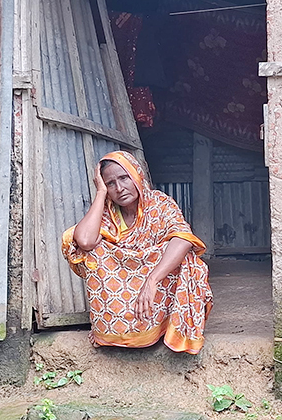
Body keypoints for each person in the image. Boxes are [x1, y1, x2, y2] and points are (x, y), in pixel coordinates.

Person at [62, 151, 213, 354]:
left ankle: (164, 325)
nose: (120, 188)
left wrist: (152, 280)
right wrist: (100, 193)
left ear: (137, 175)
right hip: (125, 292)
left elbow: (183, 238)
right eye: (110, 183)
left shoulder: (159, 203)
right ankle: (115, 331)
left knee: (183, 256)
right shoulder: (108, 213)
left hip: (155, 288)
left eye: (124, 178)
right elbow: (85, 241)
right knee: (94, 252)